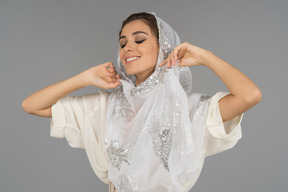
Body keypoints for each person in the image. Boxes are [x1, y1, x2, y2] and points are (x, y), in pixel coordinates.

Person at [22, 12, 262, 192]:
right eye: (123, 42)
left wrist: (206, 57)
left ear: (163, 46)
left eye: (139, 40)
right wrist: (83, 78)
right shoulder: (107, 106)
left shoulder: (188, 109)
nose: (128, 48)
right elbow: (31, 105)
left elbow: (249, 95)